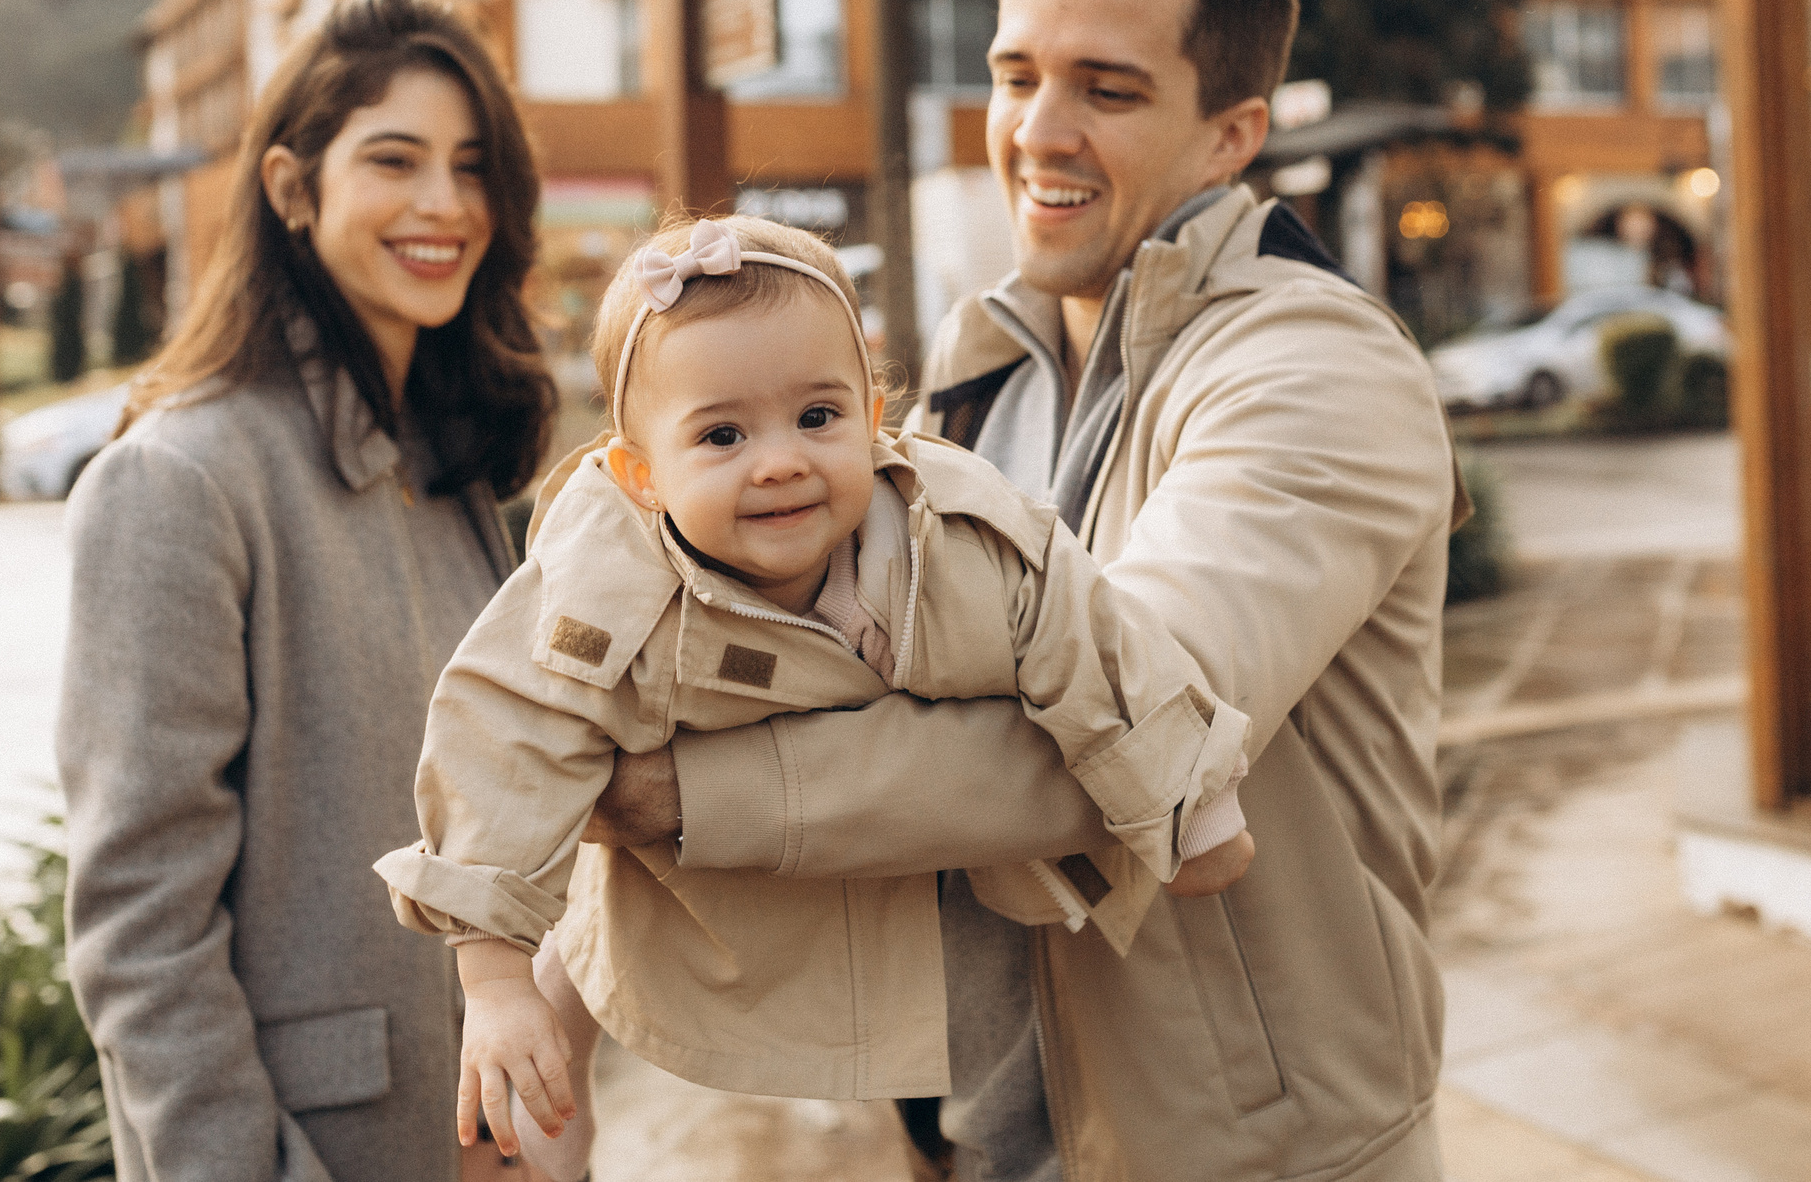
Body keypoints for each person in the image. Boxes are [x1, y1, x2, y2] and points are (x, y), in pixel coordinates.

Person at [590, 0, 1464, 1179]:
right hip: (997, 1128)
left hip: (1256, 1146)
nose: (1036, 130)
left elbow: (1143, 724)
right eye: (1014, 74)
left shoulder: (1314, 367)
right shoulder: (975, 368)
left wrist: (692, 796)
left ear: (1231, 135)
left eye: (1107, 90)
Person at [377, 215, 1259, 1180]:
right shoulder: (600, 585)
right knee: (598, 853)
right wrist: (494, 974)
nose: (781, 460)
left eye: (818, 416)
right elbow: (503, 733)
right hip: (693, 876)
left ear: (876, 416)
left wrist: (1185, 793)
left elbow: (1086, 630)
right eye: (721, 434)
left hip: (918, 852)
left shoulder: (957, 538)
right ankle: (562, 1009)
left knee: (1005, 1036)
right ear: (641, 475)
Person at [57, 0, 555, 1182]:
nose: (444, 205)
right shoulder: (177, 481)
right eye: (396, 160)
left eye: (471, 167)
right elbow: (140, 928)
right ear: (292, 188)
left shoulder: (451, 476)